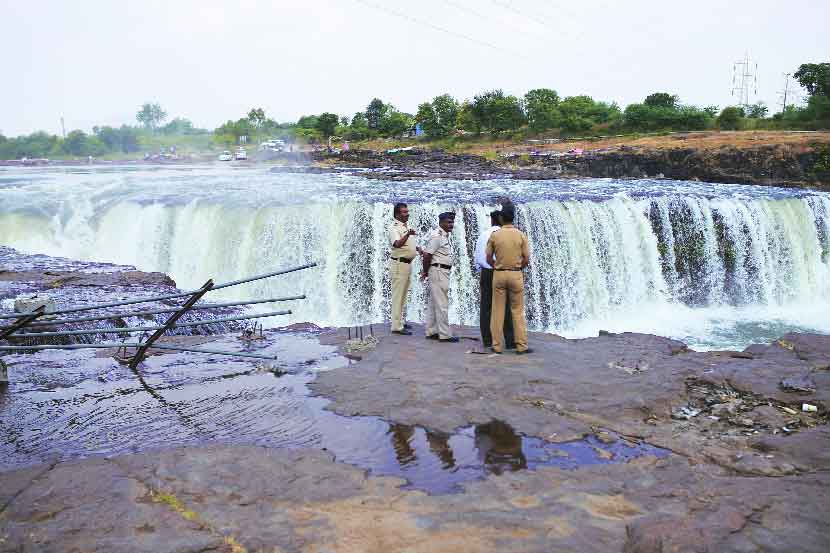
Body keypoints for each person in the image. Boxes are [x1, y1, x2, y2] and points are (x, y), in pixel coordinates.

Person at [486, 206, 531, 354]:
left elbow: (488, 257)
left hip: (499, 274)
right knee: (517, 311)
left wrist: (497, 267)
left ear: (500, 219)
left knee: (497, 310)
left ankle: (496, 345)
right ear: (513, 218)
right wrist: (518, 268)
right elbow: (526, 258)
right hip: (515, 274)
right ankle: (521, 345)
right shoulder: (521, 235)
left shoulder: (495, 235)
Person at [474, 210, 515, 350]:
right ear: (503, 220)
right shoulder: (506, 235)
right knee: (506, 306)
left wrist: (483, 272)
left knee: (486, 307)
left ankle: (487, 340)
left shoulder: (482, 235)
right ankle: (510, 341)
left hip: (486, 272)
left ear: (491, 220)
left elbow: (477, 258)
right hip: (502, 271)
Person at [421, 211, 458, 343]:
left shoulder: (444, 236)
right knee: (442, 303)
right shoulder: (437, 236)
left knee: (433, 303)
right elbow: (427, 255)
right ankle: (445, 334)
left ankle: (431, 331)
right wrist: (425, 271)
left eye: (452, 222)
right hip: (438, 271)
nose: (451, 224)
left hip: (440, 271)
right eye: (448, 222)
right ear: (441, 222)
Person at [388, 202, 417, 335]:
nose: (407, 214)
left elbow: (408, 245)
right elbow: (397, 244)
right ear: (397, 214)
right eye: (404, 212)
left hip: (406, 265)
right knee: (398, 296)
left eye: (407, 211)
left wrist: (419, 250)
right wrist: (407, 235)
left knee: (404, 295)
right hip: (399, 265)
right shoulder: (394, 228)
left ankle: (400, 322)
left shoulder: (405, 226)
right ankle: (396, 326)